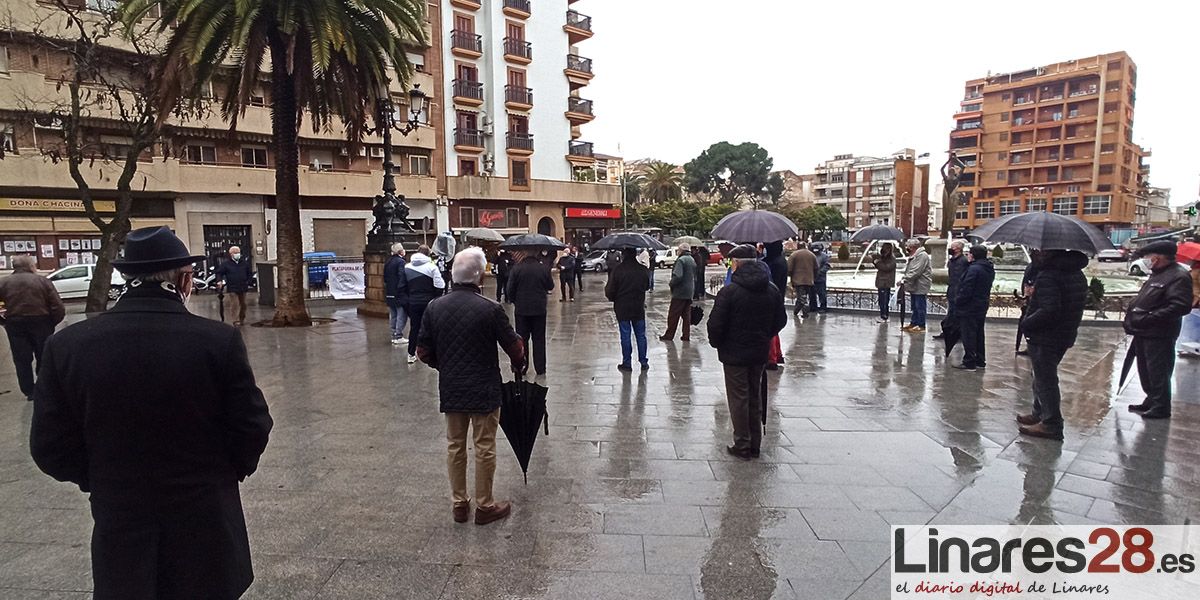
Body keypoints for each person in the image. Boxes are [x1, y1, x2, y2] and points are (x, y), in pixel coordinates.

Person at [30, 226, 272, 599]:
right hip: (205, 521)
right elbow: (252, 426)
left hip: (121, 522)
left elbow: (49, 446)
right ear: (185, 279)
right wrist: (221, 474)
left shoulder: (66, 346)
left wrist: (100, 477)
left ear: (128, 278)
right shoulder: (216, 341)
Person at [417, 247, 524, 525]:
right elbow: (514, 348)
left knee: (455, 445)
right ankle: (485, 505)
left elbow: (423, 352)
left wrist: (446, 366)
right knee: (484, 445)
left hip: (452, 387)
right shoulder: (490, 309)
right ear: (479, 277)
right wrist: (519, 356)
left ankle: (459, 504)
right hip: (484, 388)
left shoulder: (434, 307)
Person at [707, 245, 787, 460]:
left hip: (734, 354)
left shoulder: (730, 291)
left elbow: (715, 324)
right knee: (755, 396)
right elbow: (780, 320)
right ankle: (755, 444)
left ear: (737, 263)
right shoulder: (771, 289)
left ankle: (742, 443)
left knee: (738, 398)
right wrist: (764, 336)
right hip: (758, 352)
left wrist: (719, 343)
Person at [1015, 250, 1089, 440]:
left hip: (1046, 336)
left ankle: (1051, 423)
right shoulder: (1076, 273)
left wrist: (1026, 323)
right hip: (1064, 333)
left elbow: (1049, 309)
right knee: (1040, 375)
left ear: (1048, 253)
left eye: (1037, 251)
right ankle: (1039, 412)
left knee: (1045, 379)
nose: (1033, 253)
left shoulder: (1050, 275)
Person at [1123, 241, 1193, 419]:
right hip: (1144, 331)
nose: (1146, 260)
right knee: (1145, 369)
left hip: (1159, 333)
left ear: (1158, 257)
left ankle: (1161, 406)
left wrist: (1149, 318)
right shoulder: (1158, 274)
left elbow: (1180, 306)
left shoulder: (1179, 276)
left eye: (1148, 256)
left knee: (1158, 370)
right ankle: (1152, 400)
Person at [0, 255, 65, 401]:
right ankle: (44, 386)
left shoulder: (4, 283)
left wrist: (4, 322)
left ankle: (29, 390)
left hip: (15, 323)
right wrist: (51, 322)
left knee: (21, 358)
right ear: (31, 266)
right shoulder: (42, 281)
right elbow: (57, 306)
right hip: (41, 322)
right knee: (44, 355)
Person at [507, 249, 554, 375]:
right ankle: (540, 368)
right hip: (539, 309)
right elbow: (550, 286)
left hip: (522, 309)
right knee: (539, 339)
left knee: (522, 339)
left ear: (524, 255)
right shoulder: (543, 268)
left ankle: (523, 366)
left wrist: (514, 301)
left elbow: (510, 289)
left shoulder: (517, 269)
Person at [606, 247, 651, 372]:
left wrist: (613, 297)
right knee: (641, 335)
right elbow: (647, 286)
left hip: (622, 307)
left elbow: (610, 290)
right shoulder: (643, 270)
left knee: (625, 335)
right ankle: (643, 361)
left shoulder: (618, 270)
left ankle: (627, 363)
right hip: (638, 307)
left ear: (624, 255)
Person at [952, 245, 995, 371]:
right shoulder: (988, 268)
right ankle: (980, 360)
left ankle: (969, 361)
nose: (968, 256)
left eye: (969, 253)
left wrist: (958, 301)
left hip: (969, 306)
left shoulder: (973, 269)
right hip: (981, 304)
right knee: (979, 333)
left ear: (974, 255)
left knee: (969, 334)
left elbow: (967, 288)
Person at [404, 245, 446, 365]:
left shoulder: (407, 267)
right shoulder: (432, 267)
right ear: (428, 254)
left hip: (413, 302)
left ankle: (411, 354)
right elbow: (440, 285)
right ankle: (432, 353)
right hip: (429, 302)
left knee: (415, 328)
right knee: (432, 327)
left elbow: (403, 285)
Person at [661, 243, 697, 342]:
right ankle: (686, 335)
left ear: (681, 250)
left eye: (678, 250)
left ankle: (669, 335)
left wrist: (671, 283)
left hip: (680, 292)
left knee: (673, 314)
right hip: (689, 291)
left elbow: (678, 276)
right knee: (686, 315)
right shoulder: (691, 259)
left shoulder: (681, 260)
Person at [934, 241, 966, 339]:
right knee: (951, 312)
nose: (950, 249)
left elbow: (961, 277)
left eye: (953, 247)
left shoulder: (963, 261)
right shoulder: (952, 260)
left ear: (958, 249)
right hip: (952, 289)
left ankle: (955, 333)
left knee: (955, 312)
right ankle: (948, 331)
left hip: (958, 290)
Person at [1014, 249, 1044, 355]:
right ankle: (1030, 346)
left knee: (1030, 323)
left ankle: (1032, 346)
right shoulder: (1033, 266)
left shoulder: (1042, 268)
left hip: (1035, 300)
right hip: (1029, 298)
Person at [215, 245, 254, 326]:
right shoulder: (226, 264)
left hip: (243, 286)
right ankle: (235, 320)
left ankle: (241, 318)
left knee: (243, 304)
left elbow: (249, 273)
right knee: (234, 304)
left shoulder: (244, 263)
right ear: (231, 254)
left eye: (238, 252)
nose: (237, 254)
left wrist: (249, 281)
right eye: (235, 253)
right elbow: (219, 273)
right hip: (232, 287)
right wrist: (219, 281)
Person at [901, 239, 932, 333]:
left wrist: (905, 279)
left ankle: (921, 325)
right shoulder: (915, 255)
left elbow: (916, 271)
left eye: (908, 247)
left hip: (921, 285)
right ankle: (914, 323)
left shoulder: (922, 256)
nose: (907, 248)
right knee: (914, 306)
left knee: (920, 306)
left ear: (913, 247)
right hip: (914, 285)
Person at [383, 243, 409, 345]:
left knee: (393, 314)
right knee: (401, 314)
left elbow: (385, 277)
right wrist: (402, 289)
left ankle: (394, 334)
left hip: (390, 291)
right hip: (398, 292)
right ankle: (399, 335)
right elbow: (402, 276)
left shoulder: (388, 262)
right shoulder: (401, 262)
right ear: (400, 251)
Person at [787, 242, 817, 318]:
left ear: (798, 246)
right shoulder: (812, 255)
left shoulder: (794, 255)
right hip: (809, 280)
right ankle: (796, 311)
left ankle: (805, 312)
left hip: (798, 280)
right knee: (802, 296)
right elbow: (816, 268)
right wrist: (813, 277)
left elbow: (789, 268)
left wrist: (790, 276)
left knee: (802, 298)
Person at [871, 243, 897, 323]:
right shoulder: (883, 257)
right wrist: (875, 260)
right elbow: (879, 266)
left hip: (886, 282)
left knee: (885, 300)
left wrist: (878, 263)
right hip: (881, 281)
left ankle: (885, 316)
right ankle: (882, 315)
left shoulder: (892, 259)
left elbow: (886, 267)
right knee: (881, 300)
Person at [1179, 260, 1200, 358]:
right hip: (1193, 300)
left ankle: (1191, 344)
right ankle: (1188, 345)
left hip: (1196, 300)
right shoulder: (1194, 269)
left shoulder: (1197, 270)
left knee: (1194, 324)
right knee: (1192, 324)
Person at [811, 244, 831, 313]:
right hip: (811, 278)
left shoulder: (824, 256)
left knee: (822, 294)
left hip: (820, 279)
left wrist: (819, 272)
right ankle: (813, 307)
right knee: (812, 294)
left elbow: (827, 266)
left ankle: (823, 307)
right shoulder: (811, 255)